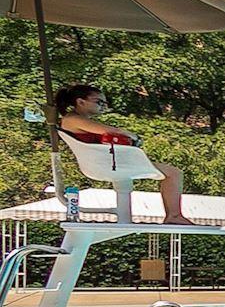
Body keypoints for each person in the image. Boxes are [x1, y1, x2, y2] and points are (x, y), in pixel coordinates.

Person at [54, 84, 193, 225]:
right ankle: (174, 215)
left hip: (108, 163)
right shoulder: (72, 119)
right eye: (99, 102)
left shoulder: (74, 119)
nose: (103, 106)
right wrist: (135, 137)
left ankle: (173, 215)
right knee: (174, 173)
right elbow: (114, 131)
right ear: (80, 102)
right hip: (108, 164)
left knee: (172, 173)